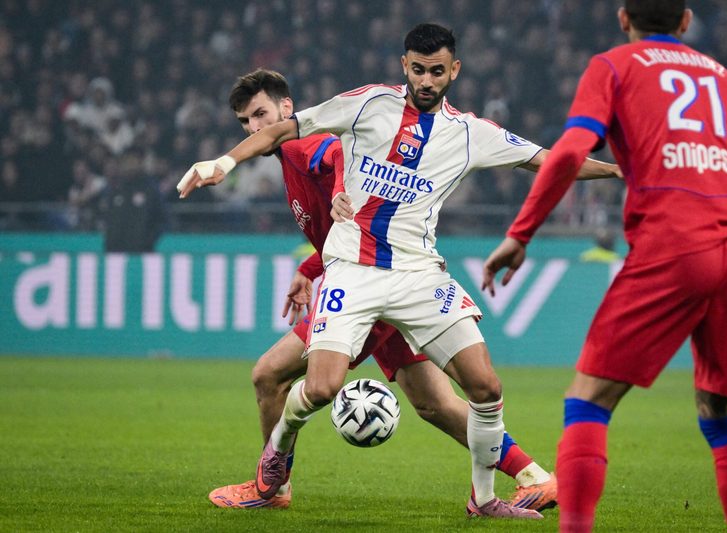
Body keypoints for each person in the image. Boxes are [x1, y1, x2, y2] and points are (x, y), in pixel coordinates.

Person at [178, 25, 619, 519]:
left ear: (453, 71)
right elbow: (300, 133)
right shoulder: (369, 103)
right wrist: (223, 164)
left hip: (417, 276)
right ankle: (273, 469)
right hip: (354, 273)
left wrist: (619, 169)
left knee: (483, 388)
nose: (426, 80)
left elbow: (550, 160)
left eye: (436, 71)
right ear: (403, 65)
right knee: (374, 395)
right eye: (417, 69)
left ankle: (486, 498)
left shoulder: (471, 133)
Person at [482, 2, 727, 531]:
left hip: (674, 240)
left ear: (624, 18)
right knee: (723, 414)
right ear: (686, 20)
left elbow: (574, 148)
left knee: (588, 402)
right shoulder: (724, 78)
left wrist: (521, 233)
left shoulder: (615, 64)